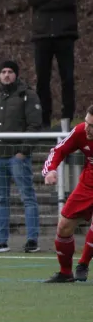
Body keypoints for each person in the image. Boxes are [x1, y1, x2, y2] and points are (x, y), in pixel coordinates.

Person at [0, 60, 42, 253]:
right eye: (3, 71)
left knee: (27, 197)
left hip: (17, 157)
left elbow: (35, 125)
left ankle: (32, 240)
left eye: (10, 72)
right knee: (0, 199)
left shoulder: (28, 95)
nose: (6, 75)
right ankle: (1, 241)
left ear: (16, 74)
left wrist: (23, 151)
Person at [41, 106, 93, 283]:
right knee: (63, 226)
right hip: (88, 184)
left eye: (92, 126)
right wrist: (50, 170)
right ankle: (65, 272)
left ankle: (83, 264)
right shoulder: (81, 131)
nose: (87, 128)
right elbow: (59, 150)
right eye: (87, 122)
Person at [26, 0, 78, 130]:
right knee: (42, 79)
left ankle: (67, 118)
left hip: (65, 35)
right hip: (42, 35)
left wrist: (43, 3)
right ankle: (44, 120)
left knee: (67, 79)